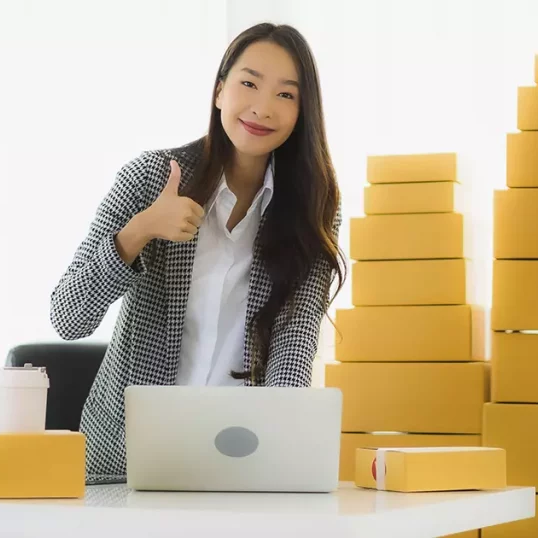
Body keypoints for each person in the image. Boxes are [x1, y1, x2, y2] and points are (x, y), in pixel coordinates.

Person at [49, 22, 346, 484]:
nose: (262, 108)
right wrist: (141, 230)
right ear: (219, 91)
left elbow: (294, 347)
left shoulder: (313, 209)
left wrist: (280, 458)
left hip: (239, 466)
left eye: (286, 95)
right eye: (249, 83)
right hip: (123, 468)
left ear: (303, 111)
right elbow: (68, 316)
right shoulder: (150, 177)